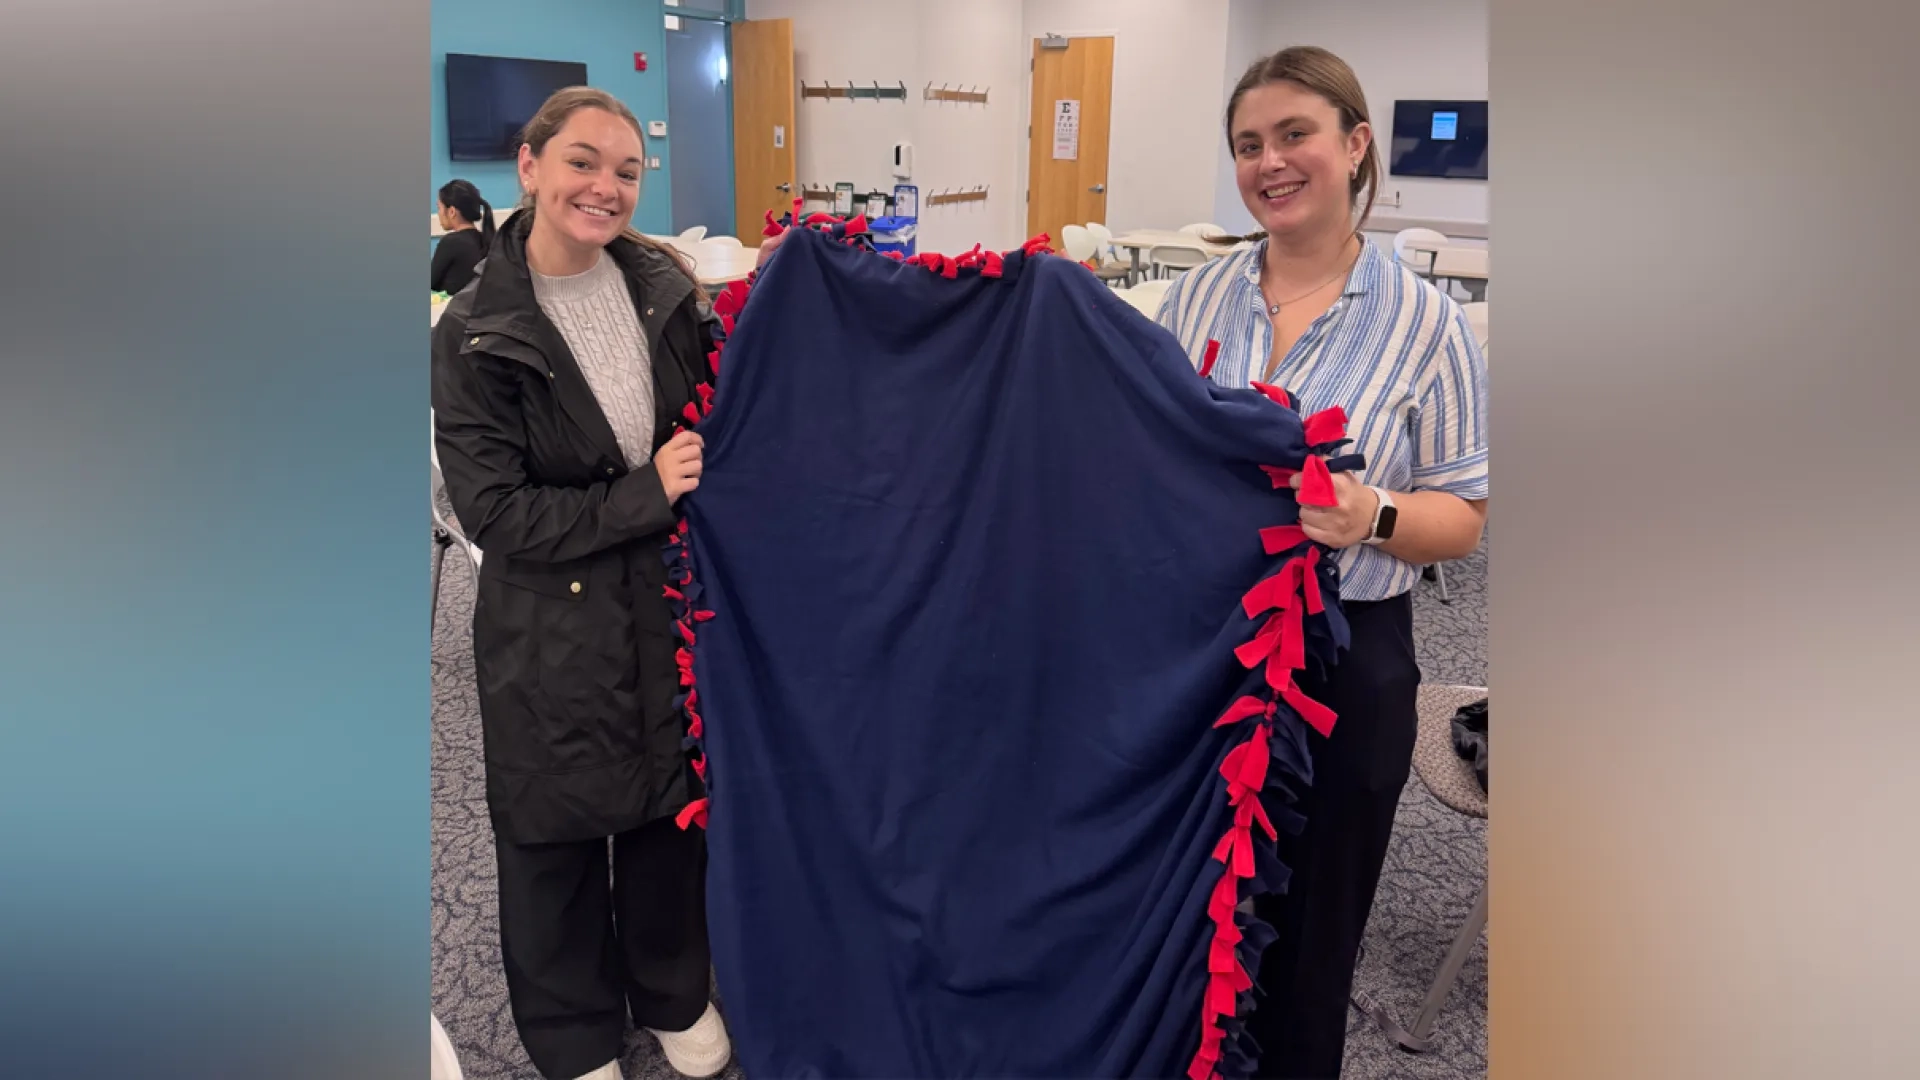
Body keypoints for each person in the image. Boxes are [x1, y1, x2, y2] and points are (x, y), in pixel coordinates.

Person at [1156, 46, 1488, 1080]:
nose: (1270, 162)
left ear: (1353, 146)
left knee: (1312, 925)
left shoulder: (1426, 321)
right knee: (1191, 897)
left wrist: (1374, 514)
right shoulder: (1194, 301)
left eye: (1294, 134)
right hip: (1202, 644)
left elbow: (1466, 514)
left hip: (1350, 657)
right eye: (1249, 145)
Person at [430, 87, 729, 1080]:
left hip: (656, 606)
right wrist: (644, 498)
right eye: (582, 162)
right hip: (545, 625)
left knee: (660, 814)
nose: (605, 187)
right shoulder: (474, 330)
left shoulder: (661, 286)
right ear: (529, 165)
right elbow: (498, 516)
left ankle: (674, 991)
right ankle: (571, 1034)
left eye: (627, 171)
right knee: (552, 833)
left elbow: (718, 405)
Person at [431, 179, 494, 294]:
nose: (438, 214)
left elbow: (431, 283)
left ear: (452, 212)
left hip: (454, 310)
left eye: (439, 208)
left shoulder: (450, 243)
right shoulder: (488, 241)